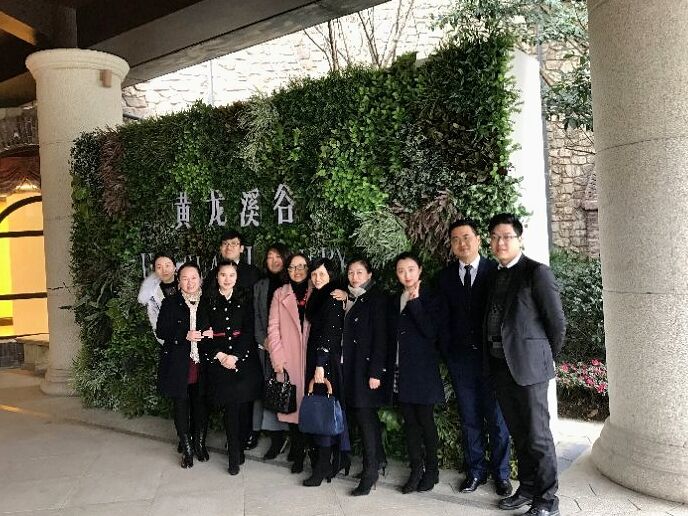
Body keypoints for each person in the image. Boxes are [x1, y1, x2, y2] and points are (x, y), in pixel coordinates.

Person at [485, 213, 566, 516]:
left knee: (538, 436)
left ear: (519, 239)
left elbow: (557, 323)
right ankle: (529, 488)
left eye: (506, 236)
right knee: (519, 434)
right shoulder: (494, 275)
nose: (500, 242)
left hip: (530, 370)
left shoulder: (536, 272)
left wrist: (543, 359)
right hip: (500, 367)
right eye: (495, 237)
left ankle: (547, 501)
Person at [437, 219, 512, 496]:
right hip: (461, 362)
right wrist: (448, 352)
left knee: (498, 419)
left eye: (466, 237)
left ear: (478, 240)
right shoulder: (444, 277)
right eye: (455, 239)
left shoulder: (496, 272)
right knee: (469, 418)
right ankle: (476, 471)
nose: (462, 243)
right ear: (451, 245)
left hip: (493, 361)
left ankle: (501, 474)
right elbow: (442, 320)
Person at [197, 260, 262, 475]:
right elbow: (203, 332)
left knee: (243, 407)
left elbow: (249, 331)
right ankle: (234, 455)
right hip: (218, 360)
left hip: (243, 360)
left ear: (237, 277)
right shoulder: (207, 299)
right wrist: (220, 355)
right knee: (231, 408)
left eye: (231, 275)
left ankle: (239, 447)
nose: (227, 279)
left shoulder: (244, 298)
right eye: (223, 275)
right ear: (217, 277)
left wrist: (235, 356)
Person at [388, 252, 444, 494]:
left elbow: (431, 332)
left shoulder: (431, 296)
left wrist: (416, 302)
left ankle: (432, 470)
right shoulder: (395, 299)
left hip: (423, 372)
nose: (406, 275)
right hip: (401, 371)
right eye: (401, 271)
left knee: (426, 422)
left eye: (411, 269)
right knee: (409, 423)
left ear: (420, 270)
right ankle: (416, 470)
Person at [205, 229, 262, 449]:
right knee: (228, 399)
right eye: (225, 243)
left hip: (246, 344)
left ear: (242, 248)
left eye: (234, 243)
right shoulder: (213, 274)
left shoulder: (252, 273)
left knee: (246, 397)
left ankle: (247, 435)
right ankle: (233, 439)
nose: (229, 247)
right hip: (220, 347)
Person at [341, 257, 389, 496]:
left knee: (365, 419)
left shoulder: (376, 298)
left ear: (369, 275)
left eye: (359, 272)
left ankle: (370, 473)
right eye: (351, 272)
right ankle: (378, 460)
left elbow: (381, 338)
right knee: (362, 417)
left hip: (367, 370)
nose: (354, 277)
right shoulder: (349, 297)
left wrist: (376, 372)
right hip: (351, 369)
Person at [302, 257, 351, 487]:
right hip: (319, 359)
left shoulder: (332, 298)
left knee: (323, 412)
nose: (317, 278)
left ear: (331, 275)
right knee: (325, 410)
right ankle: (335, 460)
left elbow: (330, 333)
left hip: (325, 362)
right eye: (314, 274)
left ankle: (322, 467)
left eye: (322, 274)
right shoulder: (320, 296)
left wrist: (320, 364)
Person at [155, 262, 208, 469]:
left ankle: (199, 443)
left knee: (200, 404)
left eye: (194, 278)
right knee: (181, 404)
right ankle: (186, 447)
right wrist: (184, 335)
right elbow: (161, 331)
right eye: (185, 278)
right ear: (179, 281)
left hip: (202, 362)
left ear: (200, 280)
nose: (190, 282)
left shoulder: (208, 302)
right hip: (179, 362)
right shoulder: (170, 303)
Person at [267, 252, 312, 474]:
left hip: (313, 359)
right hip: (289, 359)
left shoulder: (317, 289)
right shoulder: (280, 293)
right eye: (293, 267)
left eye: (301, 266)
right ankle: (298, 451)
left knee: (312, 407)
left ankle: (311, 450)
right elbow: (273, 329)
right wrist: (278, 359)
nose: (297, 271)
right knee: (292, 408)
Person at [253, 244, 290, 459]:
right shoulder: (260, 285)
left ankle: (287, 435)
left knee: (285, 390)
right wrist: (263, 340)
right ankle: (276, 435)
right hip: (265, 348)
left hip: (288, 350)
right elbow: (256, 316)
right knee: (269, 390)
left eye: (278, 256)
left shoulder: (292, 283)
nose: (274, 260)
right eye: (270, 257)